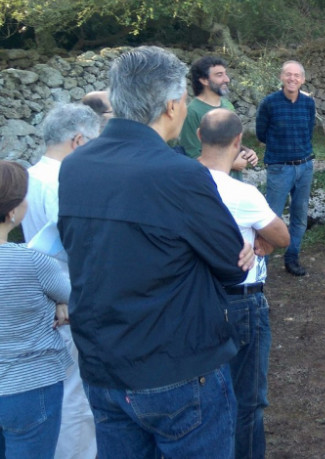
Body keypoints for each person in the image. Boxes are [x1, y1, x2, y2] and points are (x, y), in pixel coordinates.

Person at [58, 46, 254, 458]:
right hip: (177, 367)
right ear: (171, 106)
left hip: (102, 366)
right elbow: (232, 264)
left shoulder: (75, 166)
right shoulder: (181, 174)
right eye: (183, 100)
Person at [198, 108, 290, 459]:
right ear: (238, 142)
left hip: (193, 298)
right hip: (240, 301)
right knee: (246, 399)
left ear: (199, 137)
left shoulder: (178, 183)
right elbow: (280, 235)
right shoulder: (242, 194)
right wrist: (259, 238)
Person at [21, 103, 100, 459]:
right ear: (78, 140)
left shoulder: (30, 176)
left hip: (42, 294)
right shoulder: (62, 182)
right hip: (68, 295)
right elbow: (75, 244)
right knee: (76, 393)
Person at [0, 160, 72, 459]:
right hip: (29, 387)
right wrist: (61, 302)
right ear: (12, 211)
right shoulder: (32, 262)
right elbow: (73, 296)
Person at [256, 60, 316, 277]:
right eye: (288, 74)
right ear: (281, 77)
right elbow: (261, 133)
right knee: (270, 217)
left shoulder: (308, 104)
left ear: (303, 79)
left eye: (297, 75)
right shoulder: (269, 103)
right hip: (279, 168)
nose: (292, 79)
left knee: (300, 216)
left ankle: (292, 258)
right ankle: (261, 263)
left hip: (305, 166)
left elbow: (309, 131)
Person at [179, 56, 258, 175]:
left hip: (234, 183)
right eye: (219, 75)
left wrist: (246, 151)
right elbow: (191, 158)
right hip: (210, 186)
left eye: (225, 74)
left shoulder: (228, 105)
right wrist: (231, 164)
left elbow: (228, 142)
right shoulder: (192, 112)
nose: (227, 79)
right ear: (204, 80)